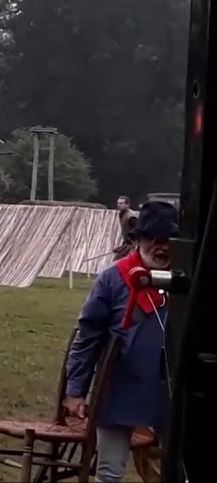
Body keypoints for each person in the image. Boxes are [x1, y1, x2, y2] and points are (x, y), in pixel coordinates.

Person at [62, 200, 174, 483]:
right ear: (139, 240)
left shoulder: (187, 281)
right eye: (154, 239)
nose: (161, 247)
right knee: (110, 472)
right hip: (121, 387)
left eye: (168, 240)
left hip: (173, 391)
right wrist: (76, 389)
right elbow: (88, 337)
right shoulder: (113, 279)